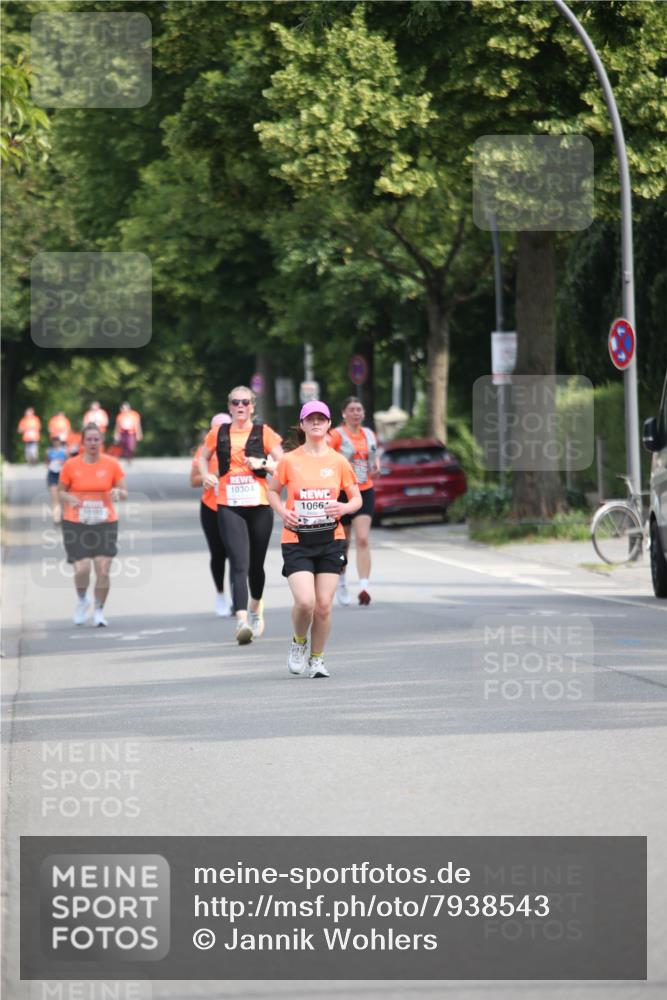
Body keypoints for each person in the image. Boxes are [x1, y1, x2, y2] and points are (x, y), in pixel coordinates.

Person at [267, 401, 361, 678]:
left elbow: (356, 498)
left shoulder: (338, 461)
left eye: (322, 418)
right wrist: (283, 511)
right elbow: (273, 491)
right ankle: (298, 643)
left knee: (323, 605)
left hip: (331, 539)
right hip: (296, 539)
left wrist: (343, 508)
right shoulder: (289, 460)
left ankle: (317, 659)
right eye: (311, 419)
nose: (317, 423)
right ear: (303, 425)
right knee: (305, 602)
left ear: (329, 424)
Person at [198, 386, 283, 644]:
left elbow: (285, 465)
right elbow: (202, 458)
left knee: (256, 565)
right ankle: (241, 621)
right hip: (228, 504)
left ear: (253, 406)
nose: (240, 407)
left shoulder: (264, 433)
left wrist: (264, 464)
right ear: (229, 406)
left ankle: (256, 607)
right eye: (235, 403)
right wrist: (205, 474)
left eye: (245, 402)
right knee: (238, 562)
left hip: (258, 504)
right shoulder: (218, 433)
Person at [58, 423, 128, 627]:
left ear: (102, 442)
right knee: (82, 569)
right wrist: (70, 499)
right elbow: (60, 491)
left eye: (96, 439)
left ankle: (99, 610)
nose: (93, 443)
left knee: (103, 569)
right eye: (89, 439)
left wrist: (117, 493)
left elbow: (124, 492)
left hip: (105, 522)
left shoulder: (111, 464)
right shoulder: (71, 465)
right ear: (82, 442)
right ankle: (82, 600)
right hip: (76, 521)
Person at [328, 396, 380, 606]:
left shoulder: (369, 434)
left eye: (359, 409)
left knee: (363, 539)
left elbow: (374, 456)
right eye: (352, 409)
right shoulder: (336, 435)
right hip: (342, 493)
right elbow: (327, 456)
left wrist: (375, 464)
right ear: (344, 413)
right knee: (343, 542)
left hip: (364, 489)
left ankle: (365, 587)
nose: (356, 413)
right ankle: (341, 582)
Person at [190, 413, 233, 618]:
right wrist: (212, 476)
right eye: (215, 428)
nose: (219, 432)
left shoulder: (239, 448)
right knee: (218, 553)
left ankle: (237, 597)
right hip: (211, 506)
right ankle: (220, 594)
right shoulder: (204, 452)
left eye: (223, 427)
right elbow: (193, 481)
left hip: (235, 506)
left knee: (237, 553)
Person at [45, 435, 67, 522]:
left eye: (57, 441)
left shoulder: (64, 451)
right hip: (52, 474)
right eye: (54, 441)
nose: (56, 442)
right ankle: (56, 517)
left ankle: (63, 514)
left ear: (60, 442)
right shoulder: (49, 451)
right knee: (54, 496)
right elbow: (46, 462)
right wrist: (51, 464)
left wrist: (62, 463)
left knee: (61, 496)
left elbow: (69, 462)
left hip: (62, 474)